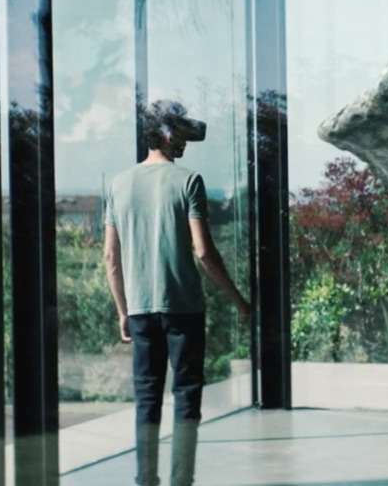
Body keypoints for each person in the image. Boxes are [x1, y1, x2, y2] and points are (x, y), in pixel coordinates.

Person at [103, 99, 252, 486]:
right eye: (181, 135)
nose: (185, 143)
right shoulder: (188, 180)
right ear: (166, 135)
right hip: (183, 307)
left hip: (139, 309)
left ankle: (145, 480)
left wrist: (123, 309)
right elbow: (203, 251)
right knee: (186, 396)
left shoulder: (118, 183)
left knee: (147, 400)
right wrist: (238, 300)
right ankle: (181, 481)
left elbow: (110, 256)